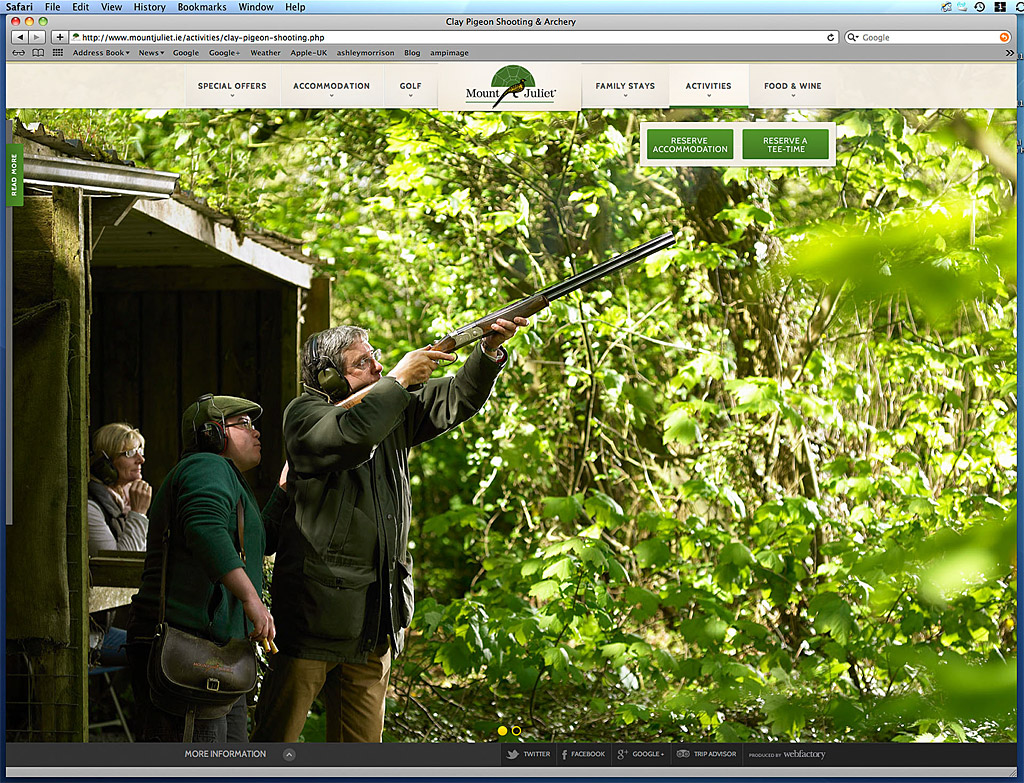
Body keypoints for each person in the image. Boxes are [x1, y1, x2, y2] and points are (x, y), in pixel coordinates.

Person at [252, 318, 527, 743]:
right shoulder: (305, 415)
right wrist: (398, 380)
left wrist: (487, 351)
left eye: (377, 357)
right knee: (276, 743)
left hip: (376, 618)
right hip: (315, 618)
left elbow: (457, 396)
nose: (378, 366)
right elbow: (353, 437)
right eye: (364, 361)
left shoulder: (388, 406)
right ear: (328, 375)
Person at [126, 394, 287, 743]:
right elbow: (205, 529)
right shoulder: (205, 466)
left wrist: (284, 491)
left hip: (214, 656)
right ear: (212, 434)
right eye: (243, 424)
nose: (256, 432)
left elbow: (260, 540)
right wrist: (252, 600)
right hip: (187, 651)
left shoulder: (226, 478)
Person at [87, 422, 152, 667]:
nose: (141, 460)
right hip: (90, 636)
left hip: (104, 628)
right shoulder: (91, 508)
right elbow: (121, 570)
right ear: (105, 464)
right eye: (130, 453)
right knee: (152, 655)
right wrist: (137, 514)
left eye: (141, 451)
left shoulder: (118, 506)